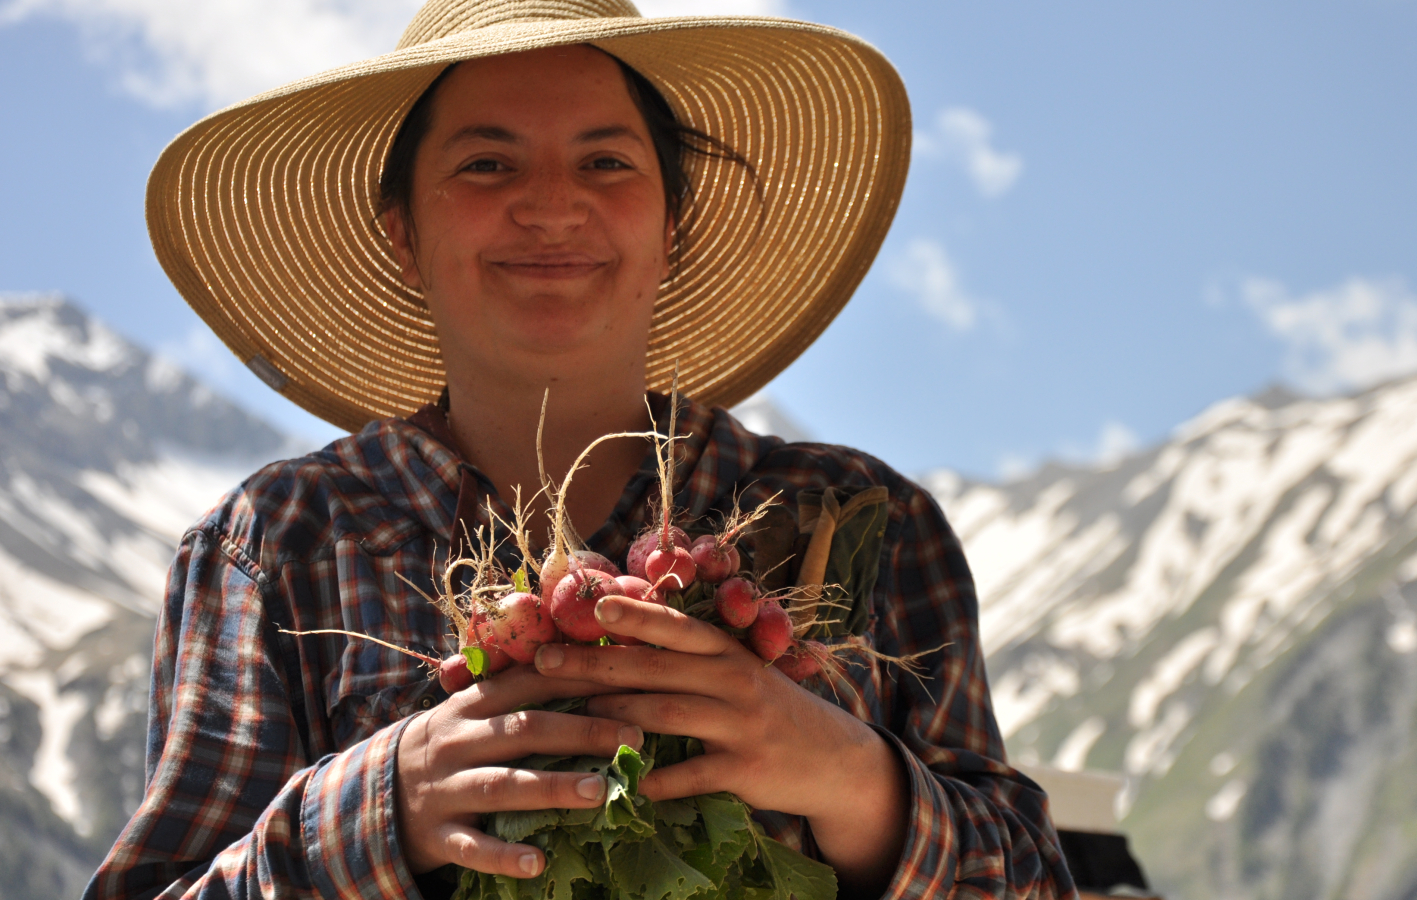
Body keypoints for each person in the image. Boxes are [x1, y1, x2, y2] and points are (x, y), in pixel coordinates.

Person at [87, 1, 1074, 898]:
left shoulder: (858, 521)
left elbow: (1036, 881)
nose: (551, 204)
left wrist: (853, 782)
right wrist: (382, 802)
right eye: (486, 164)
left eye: (606, 162)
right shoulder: (279, 546)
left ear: (672, 223)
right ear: (403, 234)